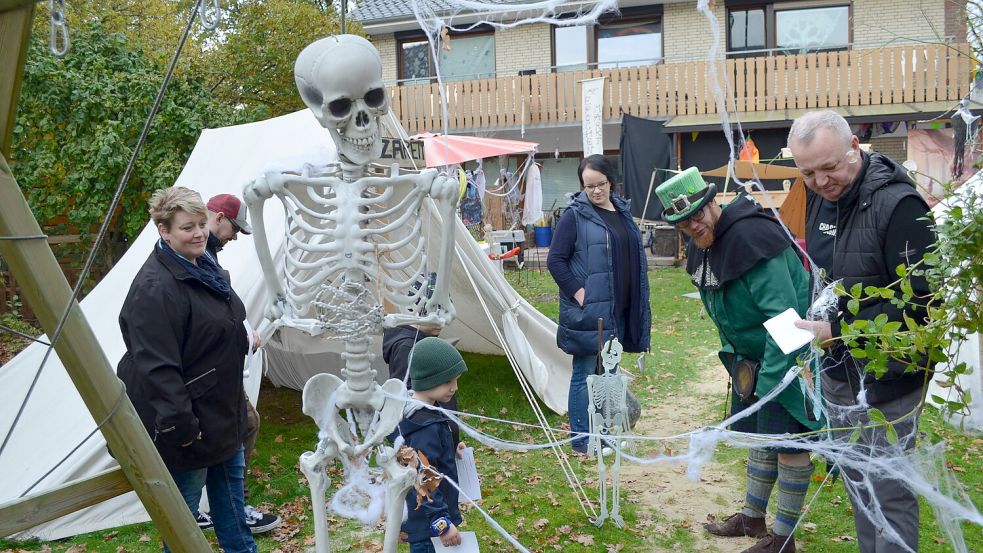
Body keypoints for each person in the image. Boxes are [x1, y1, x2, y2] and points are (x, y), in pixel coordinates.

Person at [788, 109, 936, 553]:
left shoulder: (901, 206)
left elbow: (922, 303)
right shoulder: (819, 198)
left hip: (890, 377)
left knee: (888, 492)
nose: (820, 181)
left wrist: (839, 328)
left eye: (829, 168)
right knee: (856, 481)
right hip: (839, 375)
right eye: (808, 172)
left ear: (855, 148)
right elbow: (828, 275)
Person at [655, 168, 821, 553]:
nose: (692, 225)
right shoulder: (702, 242)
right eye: (683, 222)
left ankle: (782, 539)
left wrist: (769, 387)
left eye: (697, 214)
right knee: (760, 437)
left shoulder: (753, 238)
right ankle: (752, 516)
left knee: (790, 447)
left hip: (788, 357)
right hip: (753, 358)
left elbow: (787, 321)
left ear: (712, 200)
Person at [117, 187, 256, 553]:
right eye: (186, 228)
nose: (198, 233)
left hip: (223, 416)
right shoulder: (154, 289)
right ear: (164, 231)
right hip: (192, 427)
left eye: (200, 224)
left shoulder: (202, 264)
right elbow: (157, 367)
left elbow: (221, 319)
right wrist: (182, 427)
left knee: (235, 522)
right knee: (183, 529)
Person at [547, 154, 651, 455]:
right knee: (583, 372)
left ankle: (603, 435)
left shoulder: (621, 212)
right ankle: (580, 440)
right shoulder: (574, 215)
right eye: (588, 186)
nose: (595, 191)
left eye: (600, 184)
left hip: (619, 307)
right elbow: (556, 261)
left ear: (611, 182)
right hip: (590, 310)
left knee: (608, 371)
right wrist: (580, 294)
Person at [199, 193, 281, 535]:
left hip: (219, 366)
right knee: (240, 425)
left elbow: (224, 304)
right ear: (219, 218)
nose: (234, 236)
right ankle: (229, 508)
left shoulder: (209, 258)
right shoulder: (195, 257)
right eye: (234, 228)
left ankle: (222, 507)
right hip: (206, 371)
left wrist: (244, 329)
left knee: (243, 424)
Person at [397, 337, 467, 553]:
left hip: (431, 519)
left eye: (455, 380)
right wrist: (442, 524)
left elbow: (429, 455)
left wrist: (450, 446)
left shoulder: (428, 411)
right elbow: (423, 477)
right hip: (428, 527)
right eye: (448, 381)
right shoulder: (423, 426)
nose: (454, 387)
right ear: (428, 380)